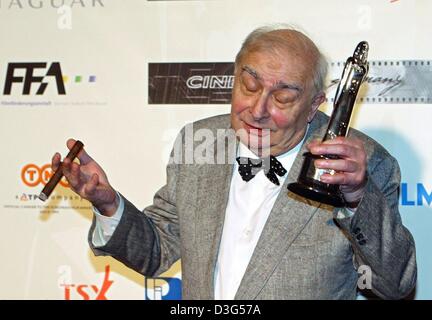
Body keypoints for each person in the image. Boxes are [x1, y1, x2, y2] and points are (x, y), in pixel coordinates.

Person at [51, 26, 417, 299]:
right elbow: (157, 251)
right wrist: (109, 204)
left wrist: (357, 198)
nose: (257, 110)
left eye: (283, 96)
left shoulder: (362, 164)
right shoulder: (198, 142)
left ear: (315, 104)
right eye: (250, 86)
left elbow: (393, 286)